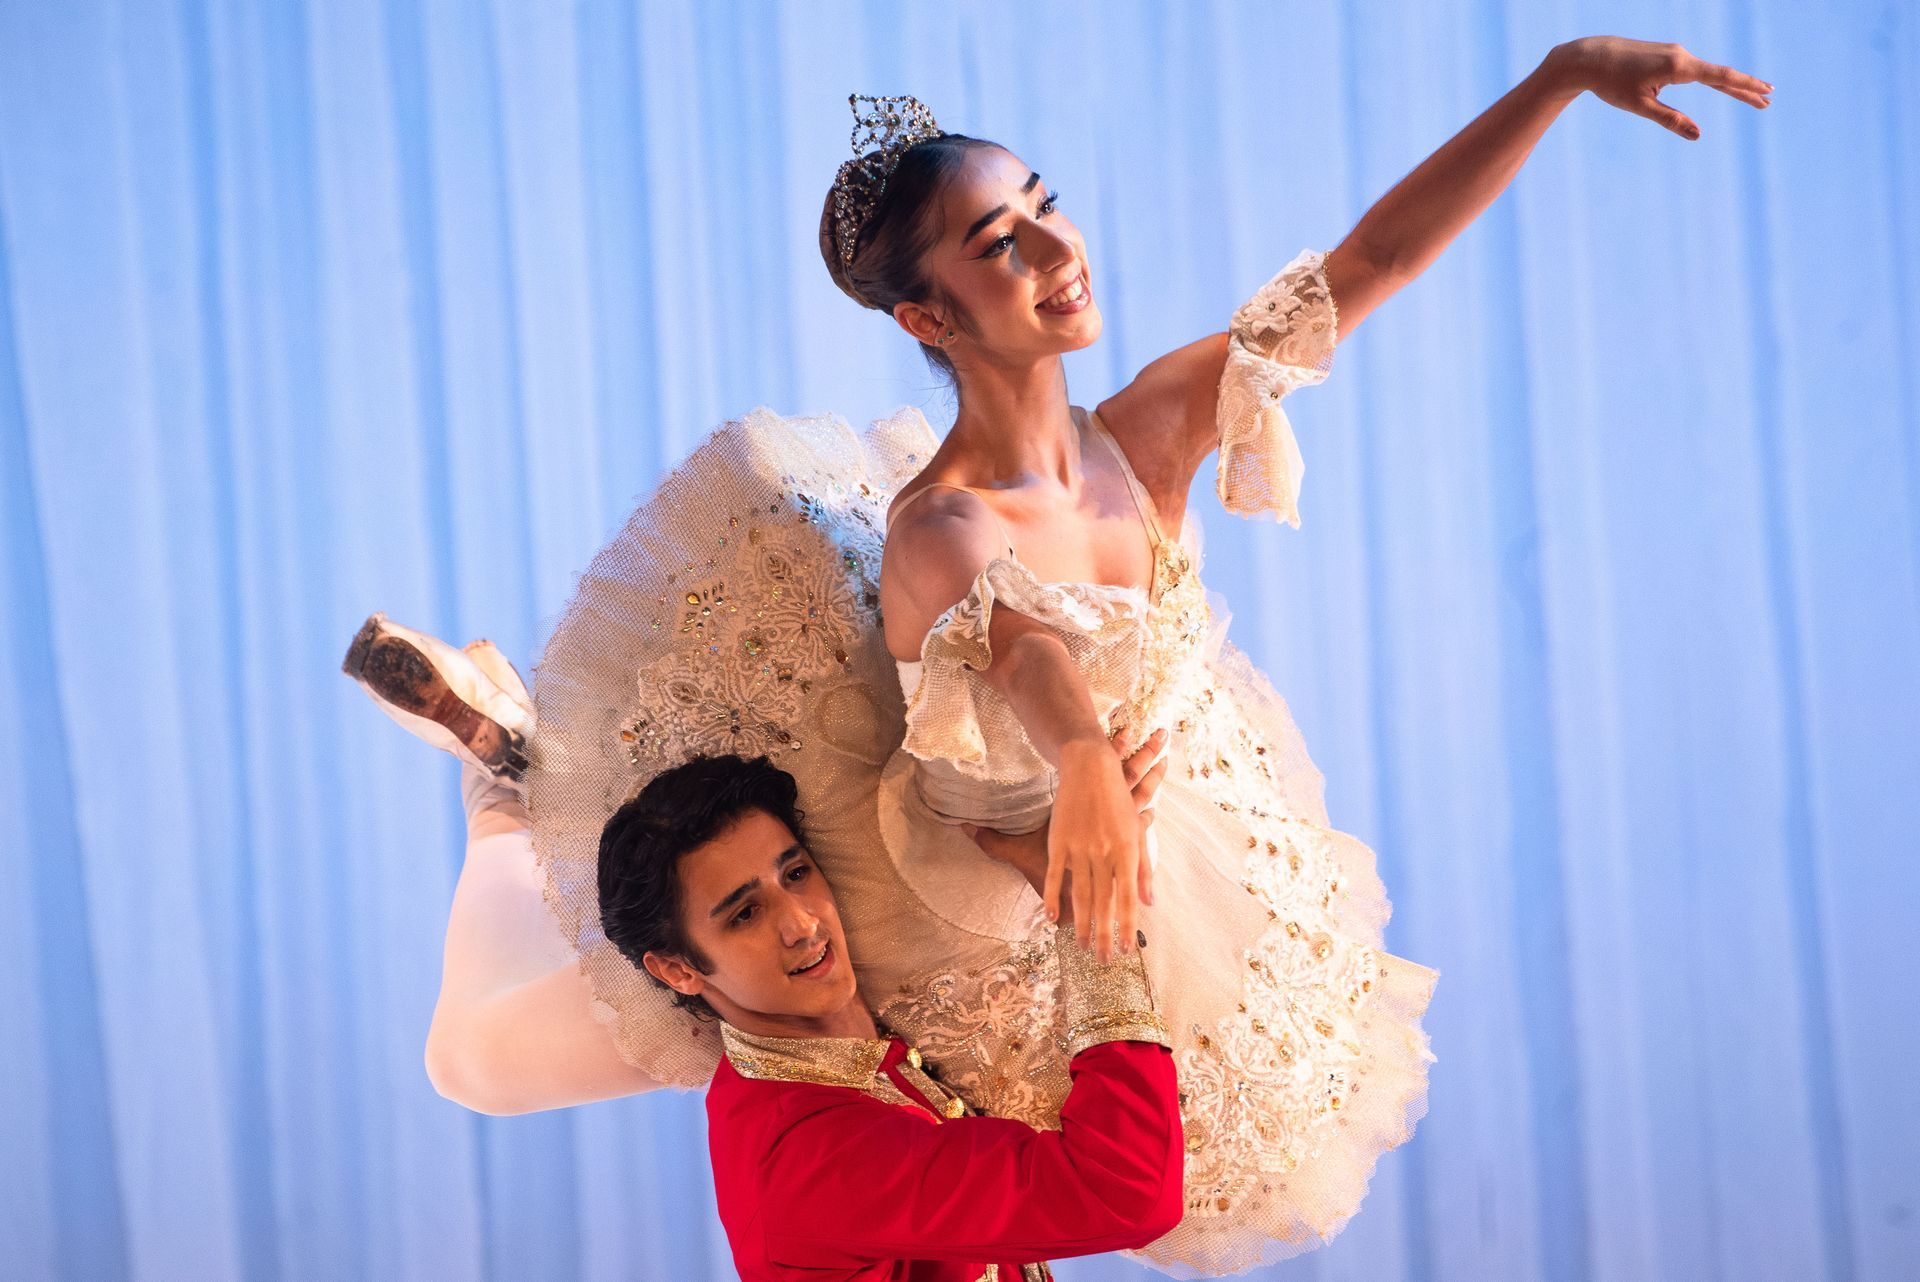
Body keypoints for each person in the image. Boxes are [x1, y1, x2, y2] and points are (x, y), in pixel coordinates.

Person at [345, 34, 1772, 1277]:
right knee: (476, 1060)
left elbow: (1367, 267)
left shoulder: (1150, 428)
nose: (1053, 250)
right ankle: (509, 767)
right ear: (927, 318)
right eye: (998, 244)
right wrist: (1085, 754)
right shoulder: (940, 527)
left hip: (1120, 850)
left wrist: (1561, 81)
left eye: (1045, 209)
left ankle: (517, 768)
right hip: (933, 911)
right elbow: (1017, 639)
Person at [601, 750, 1181, 1281]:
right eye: (746, 913)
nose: (803, 924)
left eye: (796, 874)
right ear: (678, 970)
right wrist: (1092, 910)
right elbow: (1126, 1191)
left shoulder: (845, 1054)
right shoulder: (808, 1161)